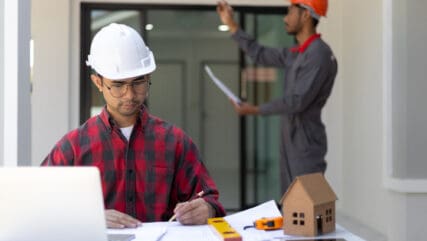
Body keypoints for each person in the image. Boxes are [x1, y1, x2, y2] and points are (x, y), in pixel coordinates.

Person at [42, 23, 225, 228]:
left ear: (148, 78)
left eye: (138, 82)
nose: (130, 95)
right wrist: (91, 217)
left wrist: (206, 209)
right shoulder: (73, 147)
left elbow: (210, 200)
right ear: (98, 82)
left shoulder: (175, 142)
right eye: (118, 85)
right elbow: (40, 204)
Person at [217, 0, 337, 193]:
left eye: (290, 12)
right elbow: (260, 54)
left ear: (306, 15)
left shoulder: (319, 54)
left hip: (305, 144)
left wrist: (254, 110)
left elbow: (297, 101)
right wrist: (231, 24)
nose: (285, 18)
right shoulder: (298, 53)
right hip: (291, 139)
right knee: (291, 202)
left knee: (307, 201)